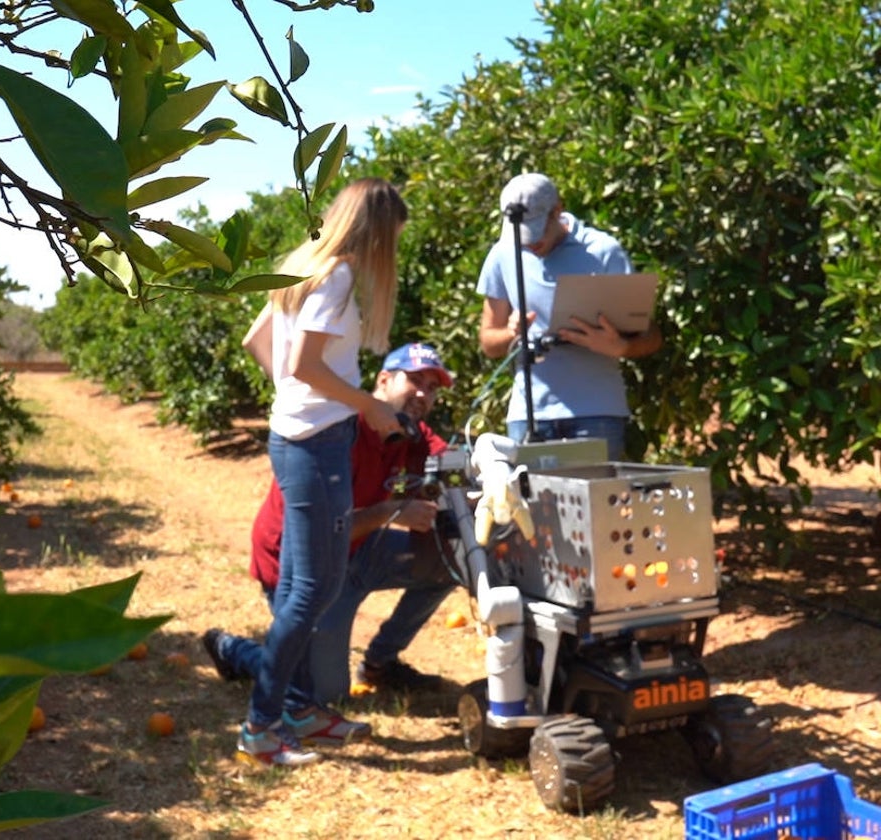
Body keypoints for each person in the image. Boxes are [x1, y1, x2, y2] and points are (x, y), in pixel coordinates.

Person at [231, 178, 408, 767]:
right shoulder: (336, 276)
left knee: (300, 587)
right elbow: (305, 363)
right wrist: (369, 406)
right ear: (376, 232)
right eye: (394, 240)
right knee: (313, 589)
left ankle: (297, 708)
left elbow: (259, 340)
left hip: (299, 437)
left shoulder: (306, 265)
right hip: (316, 443)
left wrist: (291, 396)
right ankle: (261, 726)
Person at [204, 343, 457, 707]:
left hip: (358, 549)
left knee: (449, 561)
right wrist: (391, 511)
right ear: (383, 380)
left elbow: (452, 465)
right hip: (300, 563)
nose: (424, 393)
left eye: (432, 388)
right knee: (321, 694)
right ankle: (236, 650)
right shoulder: (338, 429)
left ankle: (380, 665)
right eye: (415, 380)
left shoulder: (410, 433)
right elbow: (318, 532)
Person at [476, 173, 662, 459]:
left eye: (536, 231)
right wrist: (511, 332)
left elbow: (651, 337)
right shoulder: (502, 255)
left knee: (597, 502)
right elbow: (489, 342)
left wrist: (621, 347)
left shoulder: (603, 252)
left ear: (558, 210)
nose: (530, 244)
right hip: (529, 414)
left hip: (597, 413)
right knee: (529, 504)